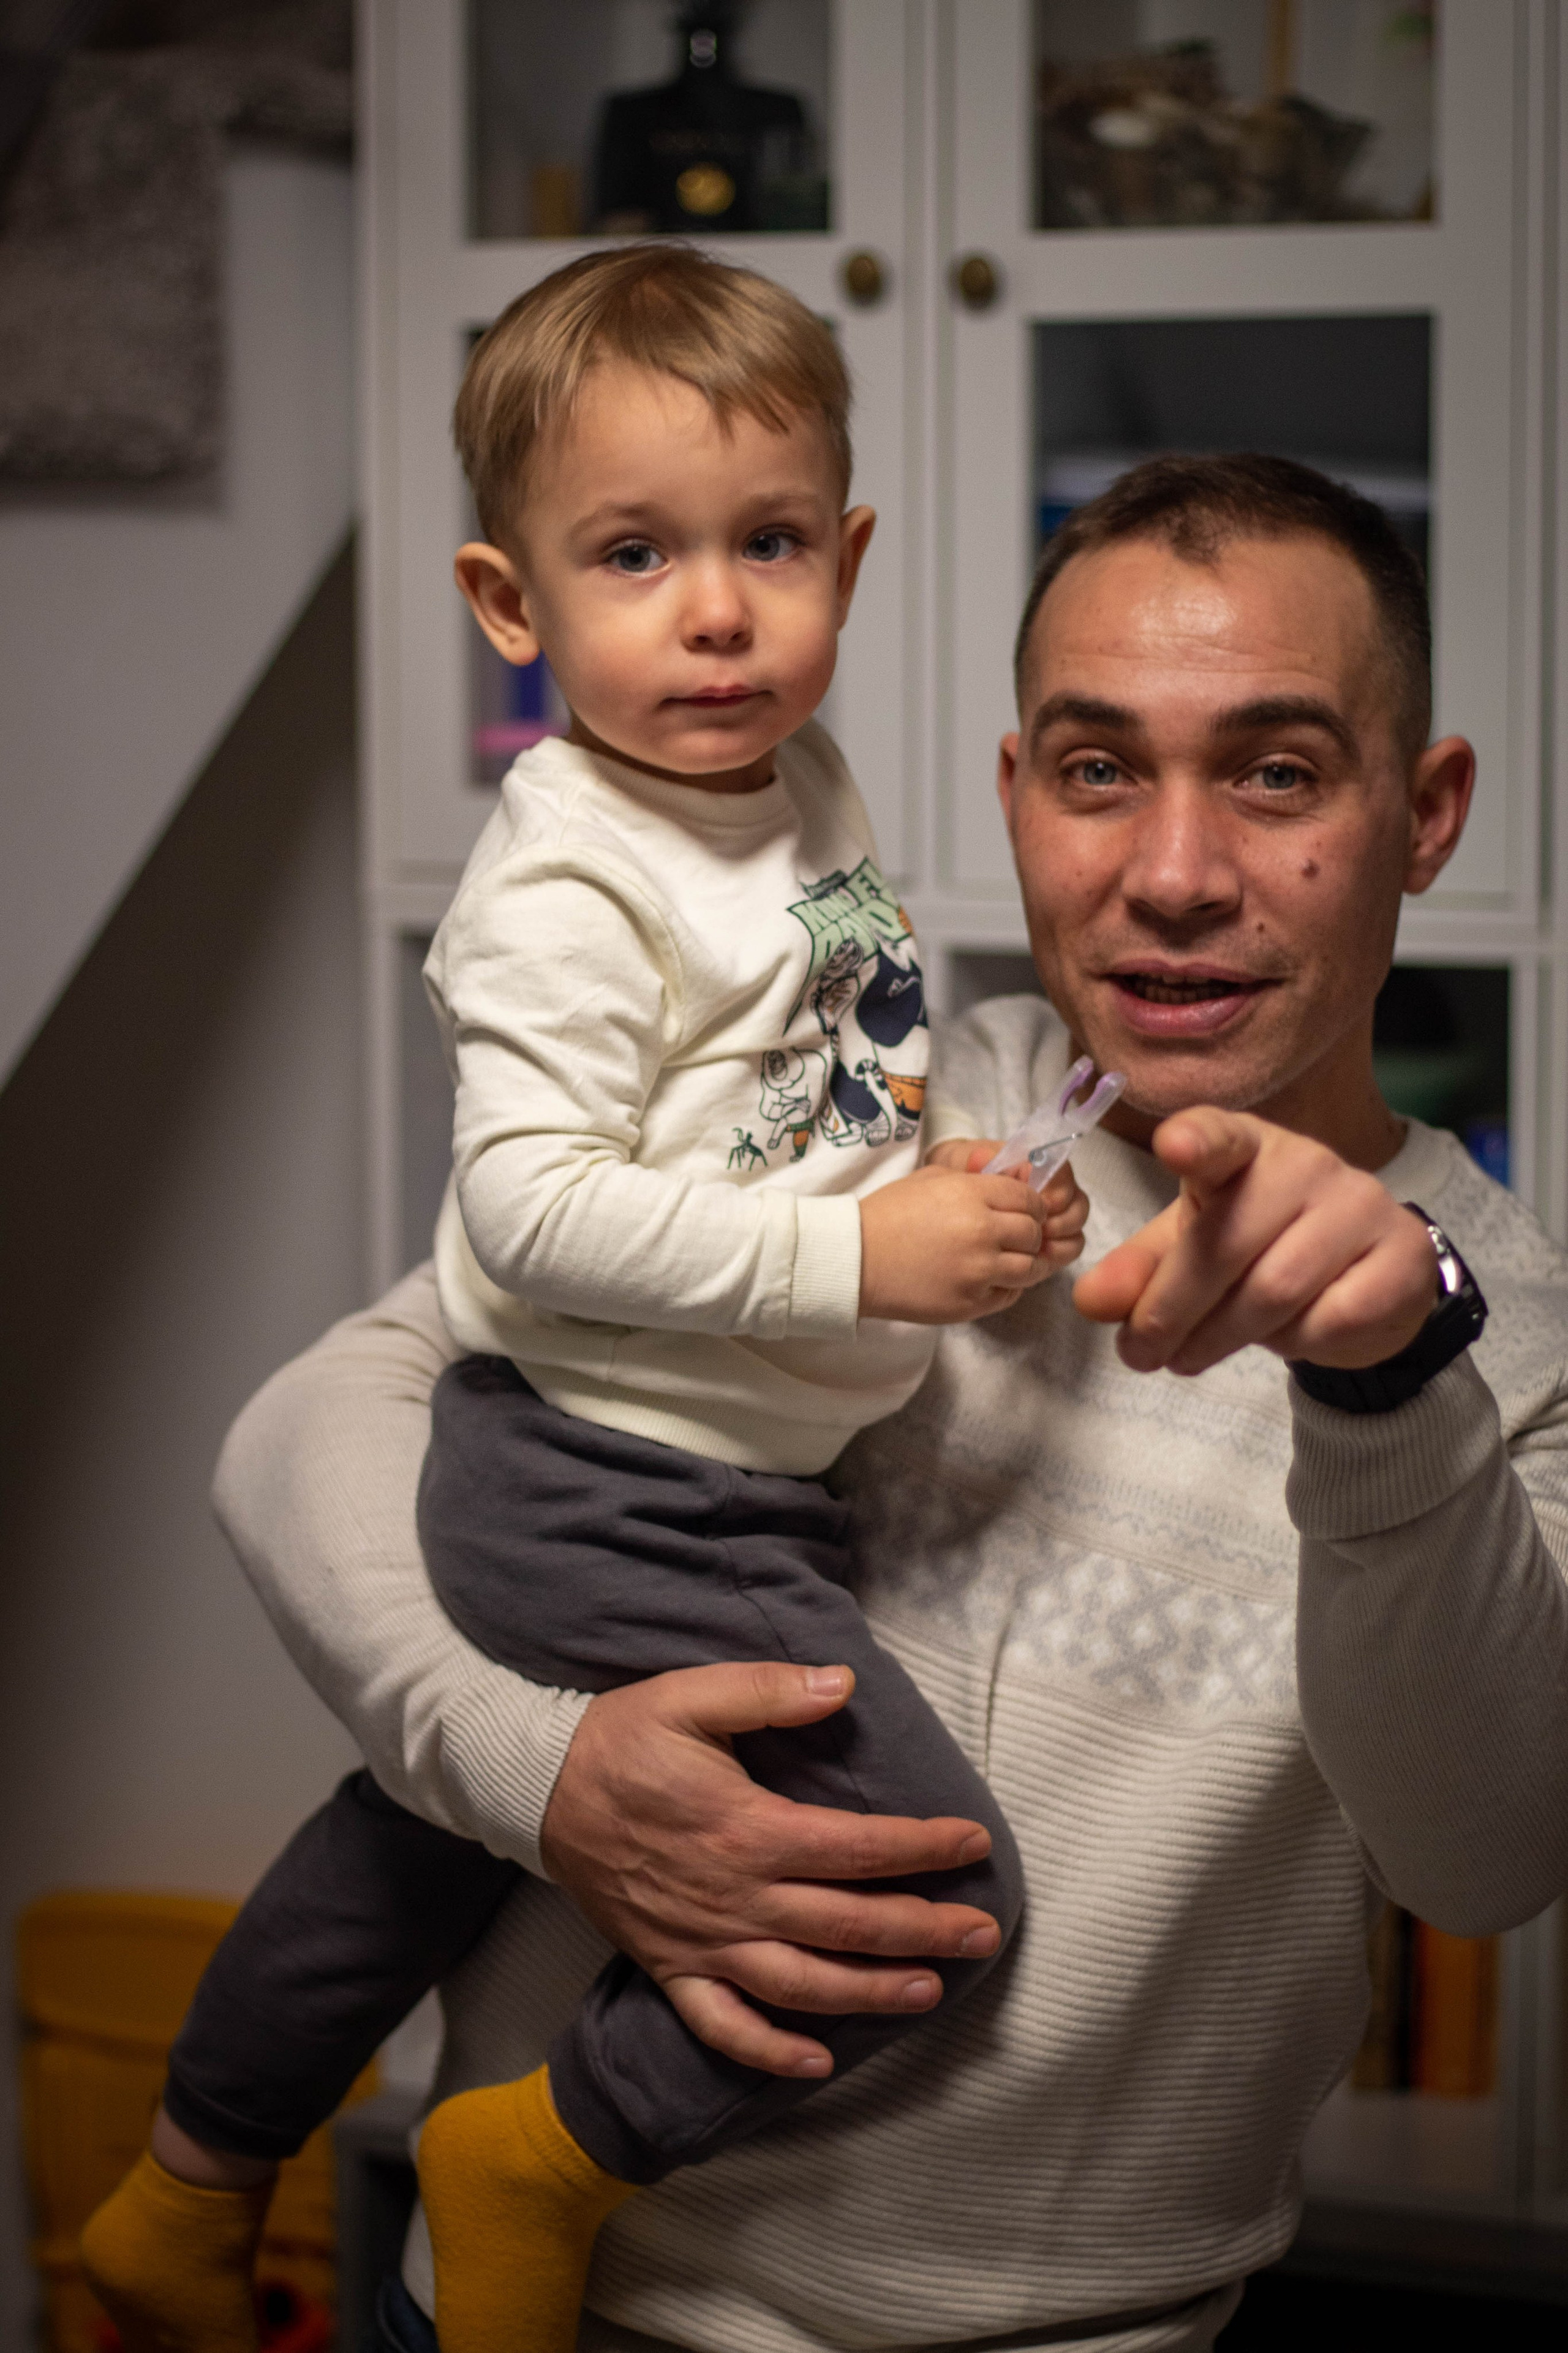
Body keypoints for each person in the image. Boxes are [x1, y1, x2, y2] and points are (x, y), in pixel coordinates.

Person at [128, 450, 1568, 2353]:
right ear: (1016, 795)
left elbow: (1490, 1859)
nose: (1173, 872)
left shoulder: (1507, 1322)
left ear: (1427, 811)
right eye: (1098, 766)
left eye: (1279, 772)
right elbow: (310, 1430)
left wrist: (1386, 1389)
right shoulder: (857, 1091)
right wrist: (536, 1772)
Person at [80, 244, 1095, 2353]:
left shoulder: (792, 787)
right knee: (940, 1889)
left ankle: (186, 2178)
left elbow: (810, 1080)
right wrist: (860, 1256)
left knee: (418, 1845)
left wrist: (934, 1186)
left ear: (852, 554)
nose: (716, 608)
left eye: (770, 543)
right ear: (509, 603)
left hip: (705, 1468)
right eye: (634, 553)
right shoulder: (563, 877)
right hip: (613, 1485)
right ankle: (543, 2150)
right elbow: (536, 1212)